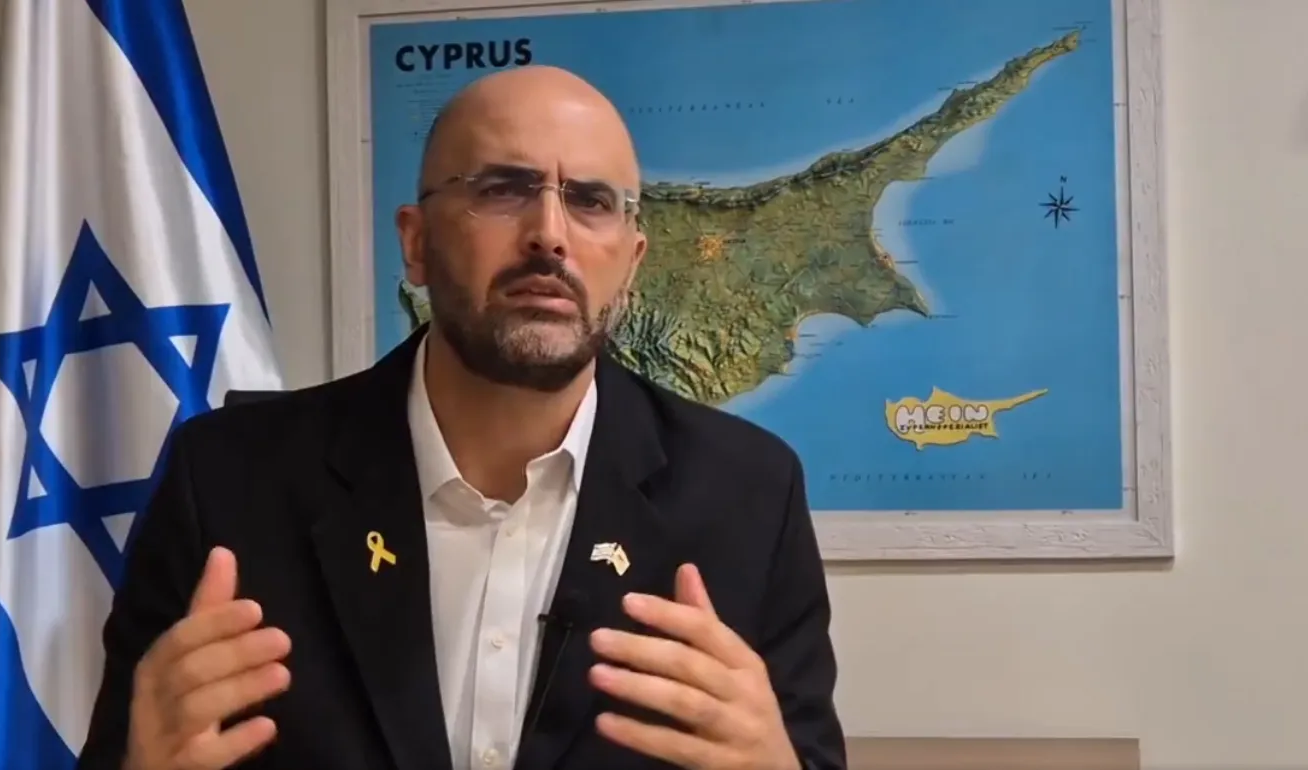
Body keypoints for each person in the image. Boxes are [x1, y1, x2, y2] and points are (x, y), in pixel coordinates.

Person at [76, 65, 845, 770]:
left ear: (632, 261)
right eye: (503, 189)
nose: (550, 234)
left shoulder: (748, 496)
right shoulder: (228, 481)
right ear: (415, 244)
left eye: (590, 201)